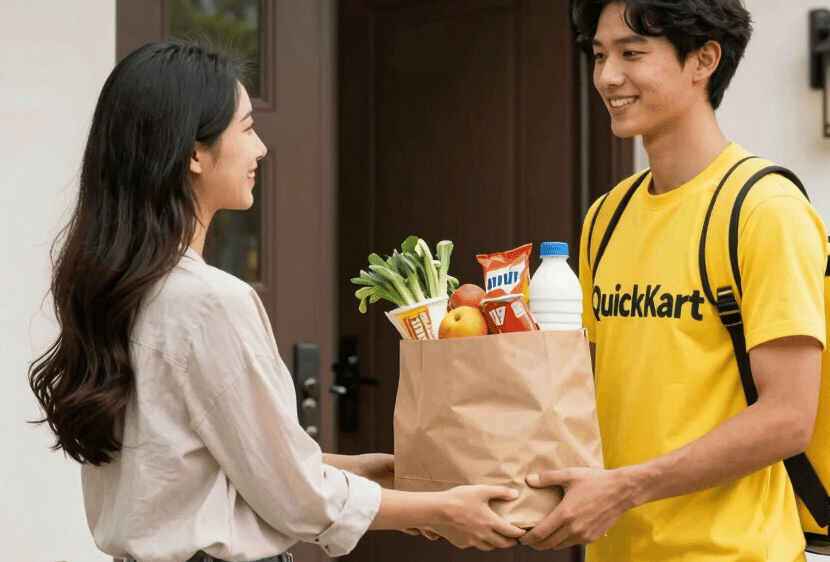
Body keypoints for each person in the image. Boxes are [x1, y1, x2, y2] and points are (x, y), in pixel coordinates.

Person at [29, 40, 524, 562]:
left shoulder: (117, 291)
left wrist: (362, 470)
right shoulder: (210, 303)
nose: (260, 148)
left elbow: (206, 467)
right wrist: (444, 510)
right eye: (246, 128)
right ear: (194, 153)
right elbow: (299, 499)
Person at [519, 0, 827, 561]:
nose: (608, 77)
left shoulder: (764, 209)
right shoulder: (607, 216)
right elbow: (590, 394)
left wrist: (624, 489)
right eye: (599, 55)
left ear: (703, 60)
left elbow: (789, 417)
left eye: (631, 53)